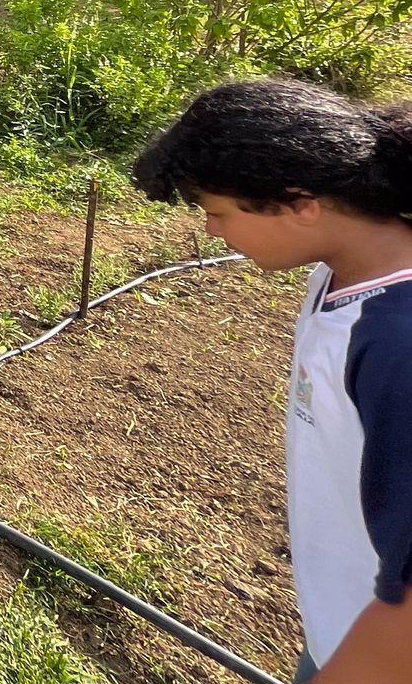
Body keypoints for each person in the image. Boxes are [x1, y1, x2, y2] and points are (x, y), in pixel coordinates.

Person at [133, 79, 412, 684]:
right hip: (344, 623)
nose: (212, 233)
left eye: (218, 212)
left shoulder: (396, 343)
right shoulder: (340, 274)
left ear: (298, 203)